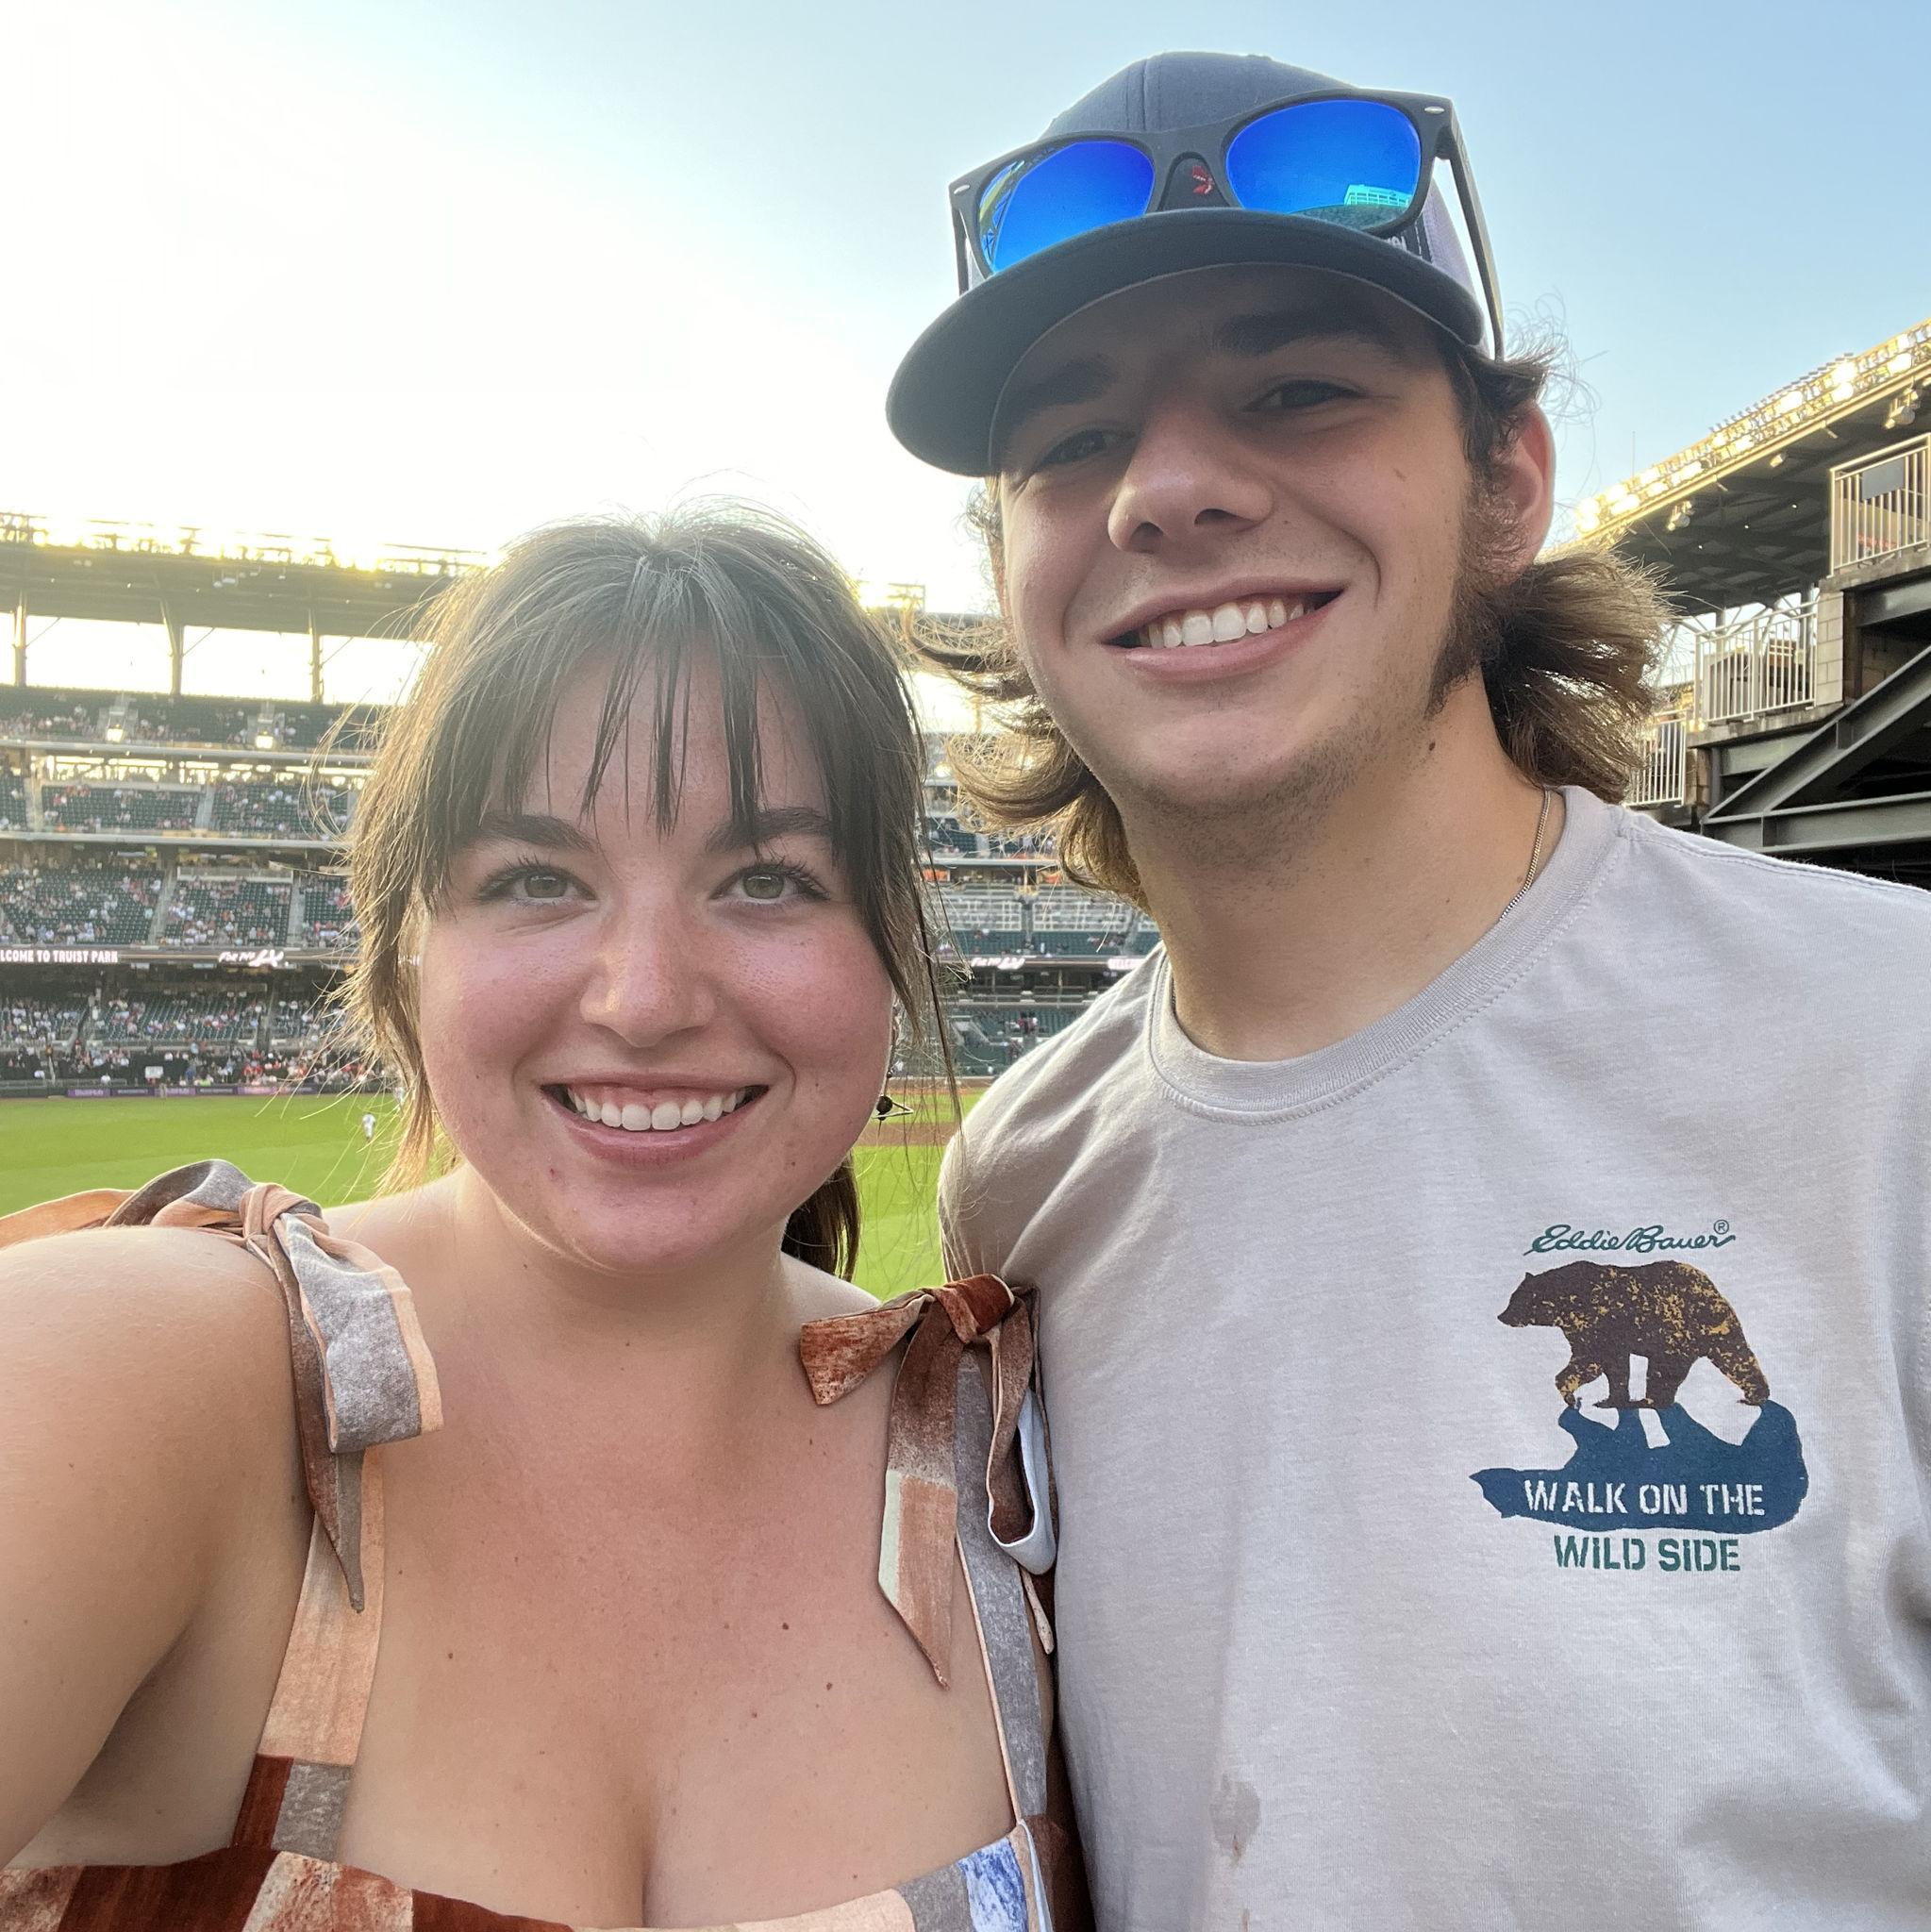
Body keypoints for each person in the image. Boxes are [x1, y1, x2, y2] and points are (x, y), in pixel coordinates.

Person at [889, 48, 1931, 1932]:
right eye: (1066, 442)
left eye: (1297, 390)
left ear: (1508, 484)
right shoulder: (1023, 1184)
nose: (1172, 491)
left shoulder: (1890, 1051)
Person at [0, 509, 1080, 1929]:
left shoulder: (1011, 1461)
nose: (645, 998)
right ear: (405, 952)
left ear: (890, 948)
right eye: (536, 882)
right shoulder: (138, 1373)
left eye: (768, 881)